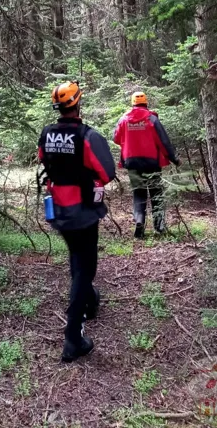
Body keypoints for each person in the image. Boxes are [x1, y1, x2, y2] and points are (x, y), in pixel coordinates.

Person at [38, 81, 115, 362]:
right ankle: (73, 339)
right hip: (83, 212)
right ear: (78, 103)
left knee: (77, 260)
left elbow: (43, 159)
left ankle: (90, 301)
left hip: (58, 209)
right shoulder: (87, 136)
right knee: (85, 268)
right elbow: (107, 173)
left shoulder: (46, 134)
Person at [114, 91, 178, 239]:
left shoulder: (124, 119)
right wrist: (174, 158)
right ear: (146, 103)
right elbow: (163, 141)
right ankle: (159, 226)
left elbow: (116, 138)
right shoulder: (152, 119)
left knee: (139, 193)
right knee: (156, 193)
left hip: (132, 162)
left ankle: (139, 222)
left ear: (132, 103)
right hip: (152, 162)